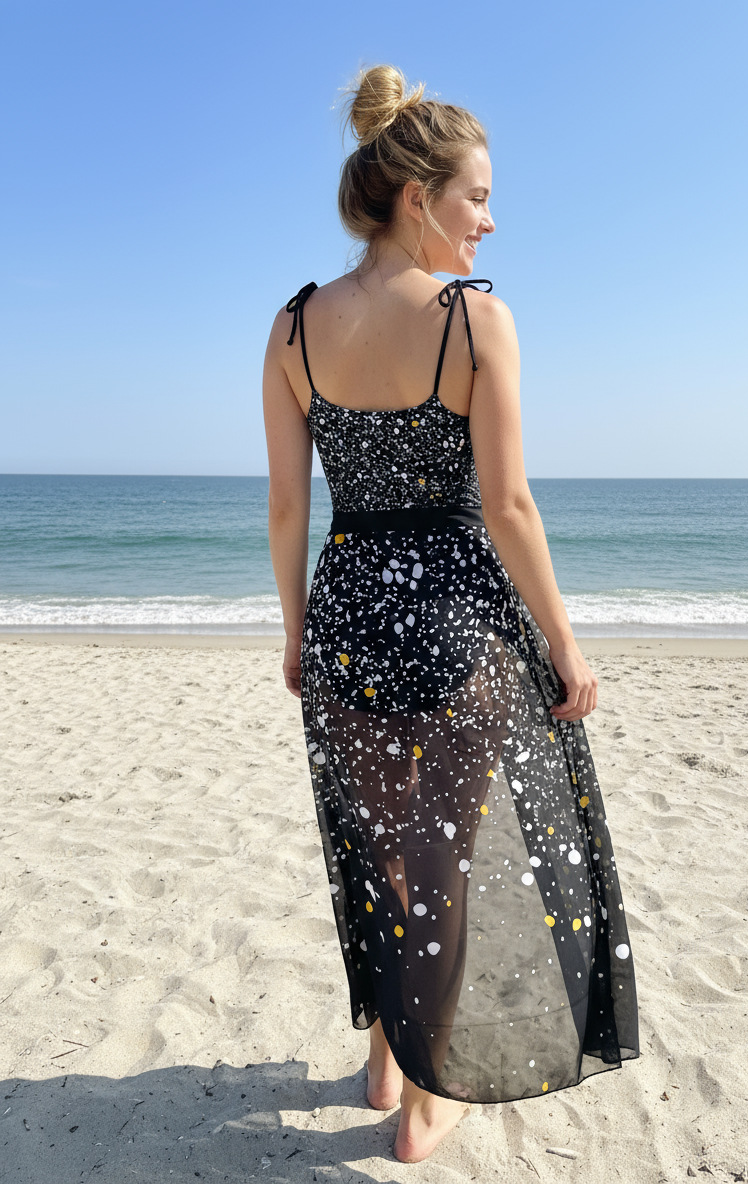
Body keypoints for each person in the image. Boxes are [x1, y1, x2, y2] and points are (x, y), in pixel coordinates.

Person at [263, 64, 639, 1164]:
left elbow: (287, 507)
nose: (490, 219)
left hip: (347, 620)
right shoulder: (476, 320)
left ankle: (388, 1055)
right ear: (418, 197)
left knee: (381, 850)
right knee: (444, 864)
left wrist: (295, 630)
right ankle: (426, 1104)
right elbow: (509, 504)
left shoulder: (292, 328)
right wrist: (564, 641)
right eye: (478, 196)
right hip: (458, 626)